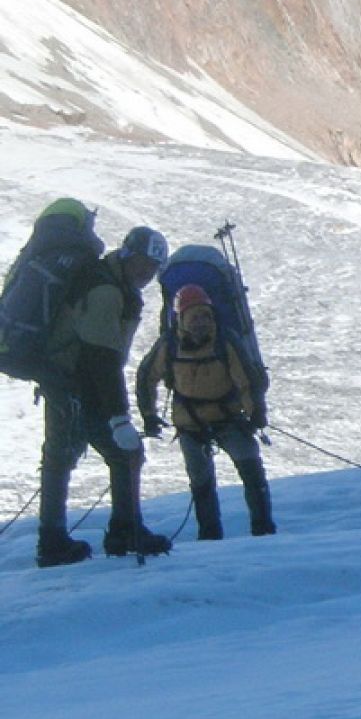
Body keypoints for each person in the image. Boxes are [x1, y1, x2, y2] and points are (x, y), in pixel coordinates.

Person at [35, 224, 173, 566]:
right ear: (128, 255)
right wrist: (119, 418)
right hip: (71, 382)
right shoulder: (106, 292)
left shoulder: (112, 283)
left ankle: (95, 533)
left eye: (152, 269)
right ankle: (60, 541)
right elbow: (102, 359)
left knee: (79, 455)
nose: (145, 273)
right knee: (65, 455)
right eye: (142, 263)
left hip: (70, 380)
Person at [136, 284, 275, 539]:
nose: (201, 322)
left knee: (251, 470)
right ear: (181, 319)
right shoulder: (170, 344)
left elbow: (247, 381)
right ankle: (210, 535)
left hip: (228, 419)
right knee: (202, 483)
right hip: (192, 424)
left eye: (205, 316)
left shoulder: (224, 341)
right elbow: (146, 378)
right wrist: (149, 414)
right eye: (194, 317)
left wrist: (255, 414)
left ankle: (263, 528)